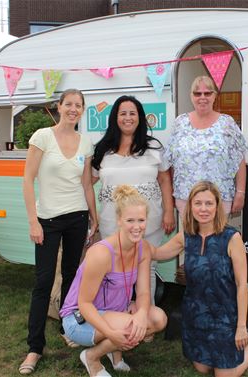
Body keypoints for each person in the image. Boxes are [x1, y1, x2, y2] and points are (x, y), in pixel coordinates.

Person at [153, 181, 248, 377]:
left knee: (224, 375)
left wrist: (241, 327)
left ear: (217, 206)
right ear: (190, 206)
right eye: (198, 203)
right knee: (202, 369)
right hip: (196, 314)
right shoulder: (186, 235)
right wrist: (133, 241)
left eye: (209, 203)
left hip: (224, 316)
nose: (203, 209)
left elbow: (241, 285)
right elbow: (157, 254)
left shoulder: (231, 238)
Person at [91, 95, 174, 368]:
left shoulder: (153, 148)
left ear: (140, 118)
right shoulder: (103, 150)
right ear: (115, 118)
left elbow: (164, 179)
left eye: (133, 113)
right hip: (112, 224)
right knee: (116, 275)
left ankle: (142, 320)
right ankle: (116, 332)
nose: (128, 118)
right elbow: (86, 180)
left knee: (145, 270)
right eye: (122, 113)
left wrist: (170, 211)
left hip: (148, 224)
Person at [19, 89, 98, 375]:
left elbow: (87, 184)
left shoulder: (86, 142)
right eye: (69, 104)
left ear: (82, 110)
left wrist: (94, 216)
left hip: (77, 217)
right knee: (42, 283)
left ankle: (68, 330)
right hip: (48, 220)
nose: (73, 109)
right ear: (59, 107)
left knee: (70, 277)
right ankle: (34, 348)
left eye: (78, 105)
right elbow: (28, 180)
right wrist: (32, 221)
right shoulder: (42, 136)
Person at [59, 185, 167, 377]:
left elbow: (142, 292)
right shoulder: (101, 253)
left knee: (158, 318)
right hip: (79, 318)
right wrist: (110, 333)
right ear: (119, 220)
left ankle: (113, 352)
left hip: (112, 310)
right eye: (130, 220)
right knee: (130, 327)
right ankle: (92, 357)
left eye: (141, 220)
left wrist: (142, 313)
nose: (137, 226)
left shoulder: (142, 248)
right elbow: (84, 304)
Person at [164, 75, 247, 216]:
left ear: (215, 96)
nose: (202, 97)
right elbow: (171, 161)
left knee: (218, 238)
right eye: (197, 93)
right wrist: (170, 195)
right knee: (190, 238)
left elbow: (239, 160)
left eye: (207, 93)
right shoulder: (180, 122)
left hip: (219, 198)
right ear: (191, 96)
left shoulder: (227, 123)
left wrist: (240, 193)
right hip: (186, 198)